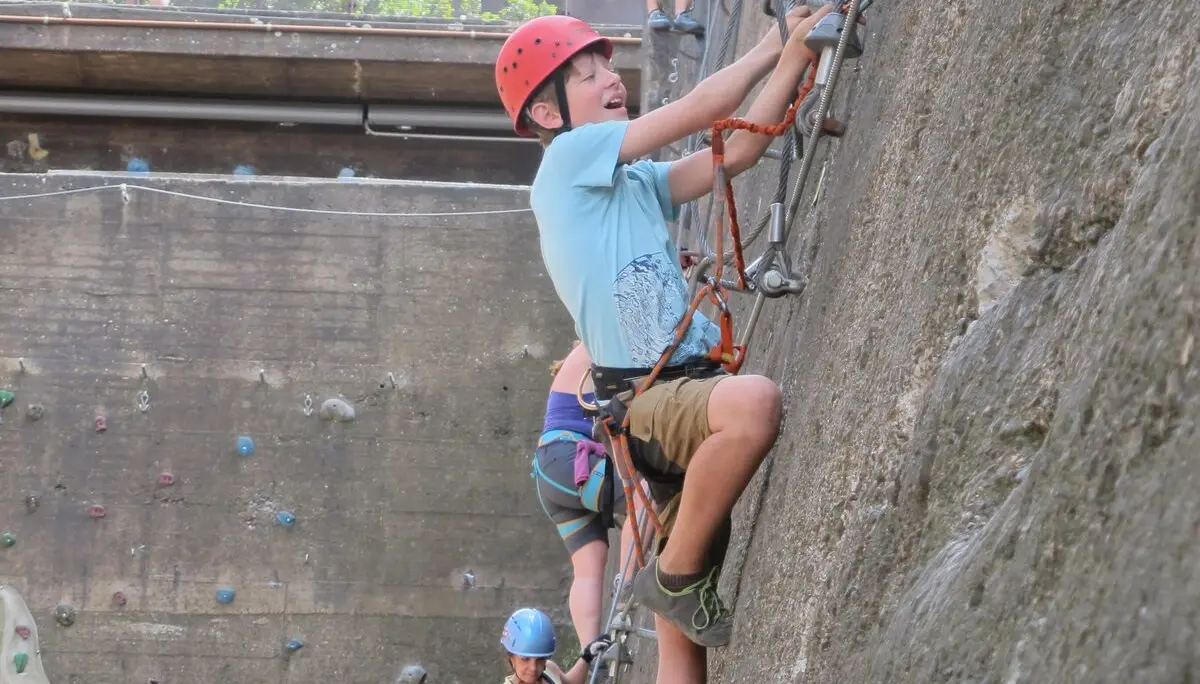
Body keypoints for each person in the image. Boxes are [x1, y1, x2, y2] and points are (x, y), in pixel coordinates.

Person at [494, 6, 834, 682]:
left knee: (680, 640)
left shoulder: (633, 184)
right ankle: (675, 577)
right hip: (651, 404)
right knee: (755, 404)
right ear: (550, 114)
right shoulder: (564, 164)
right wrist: (779, 38)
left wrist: (801, 55)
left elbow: (734, 151)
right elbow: (709, 106)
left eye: (609, 68)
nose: (610, 80)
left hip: (674, 398)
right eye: (587, 75)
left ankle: (675, 584)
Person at [532, 340, 645, 661]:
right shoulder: (596, 343)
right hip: (569, 459)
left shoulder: (585, 358)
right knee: (641, 495)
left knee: (588, 566)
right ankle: (628, 583)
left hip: (553, 473)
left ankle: (593, 649)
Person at [500, 607, 612, 684]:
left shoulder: (549, 668)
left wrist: (587, 656)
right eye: (525, 659)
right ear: (511, 658)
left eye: (540, 659)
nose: (533, 668)